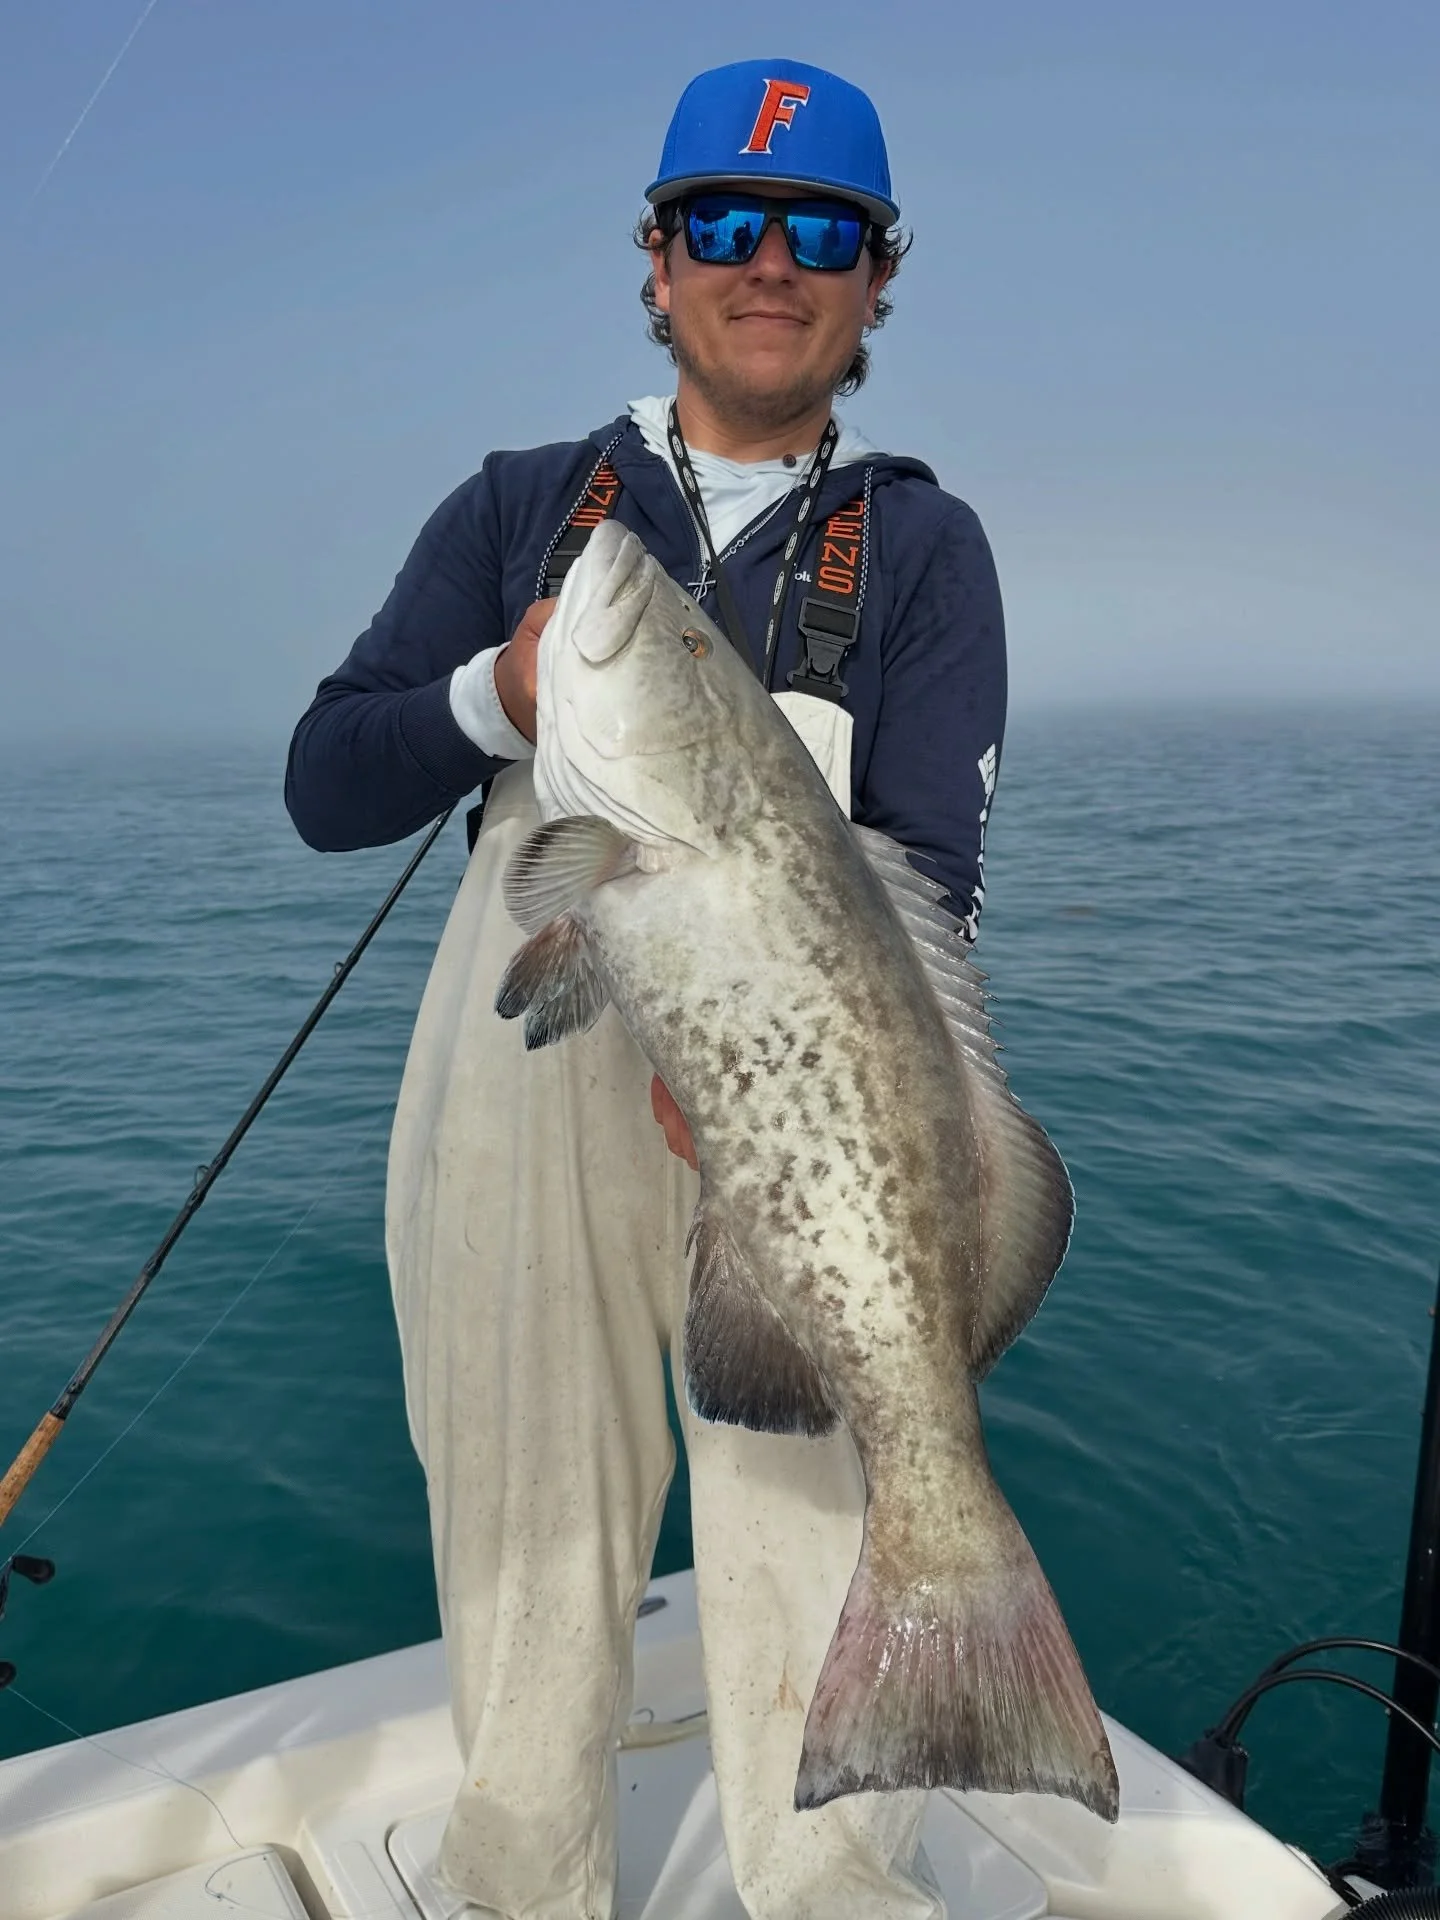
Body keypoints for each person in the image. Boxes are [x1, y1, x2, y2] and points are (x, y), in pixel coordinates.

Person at [286, 57, 1006, 1920]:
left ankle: (849, 1881)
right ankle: (524, 1889)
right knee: (526, 1545)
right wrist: (496, 696)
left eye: (820, 233)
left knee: (815, 1546)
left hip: (790, 1112)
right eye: (724, 225)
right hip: (525, 1099)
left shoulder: (923, 547)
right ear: (660, 264)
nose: (771, 265)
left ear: (874, 277)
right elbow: (327, 782)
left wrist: (780, 1079)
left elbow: (932, 878)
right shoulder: (527, 505)